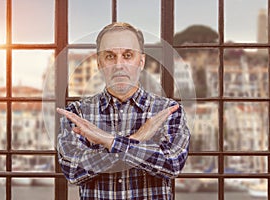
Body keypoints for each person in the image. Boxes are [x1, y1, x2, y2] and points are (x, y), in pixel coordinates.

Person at [56, 22, 190, 200]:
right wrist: (136, 139)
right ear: (99, 63)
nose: (119, 65)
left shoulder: (168, 111)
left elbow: (172, 165)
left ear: (141, 61)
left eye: (127, 55)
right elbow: (73, 170)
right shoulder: (77, 113)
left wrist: (109, 142)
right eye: (110, 56)